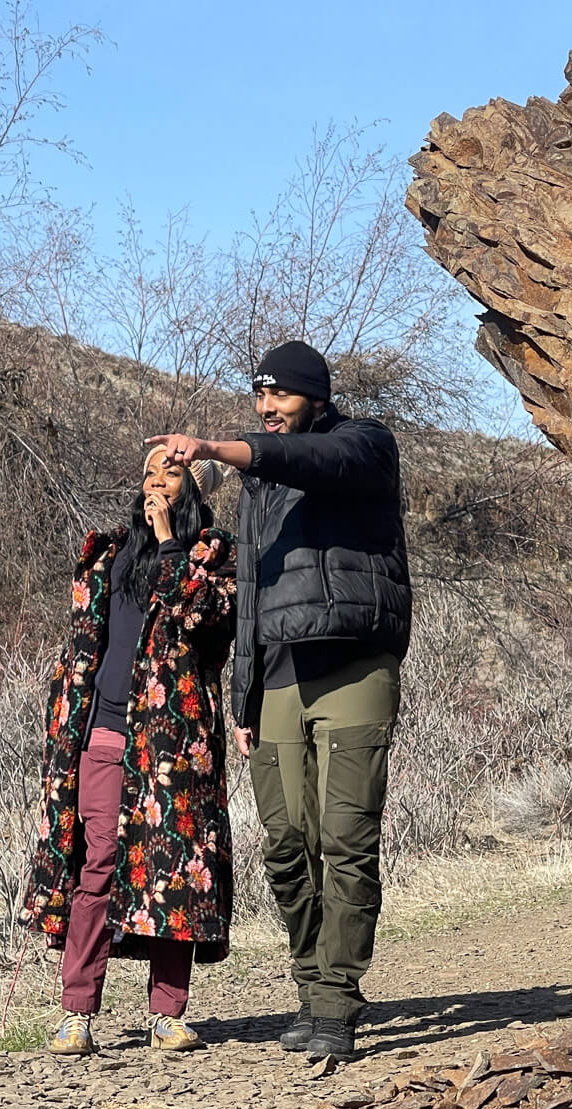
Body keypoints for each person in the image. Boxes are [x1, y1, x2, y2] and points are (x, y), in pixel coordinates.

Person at [147, 340, 411, 1061]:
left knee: (345, 840)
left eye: (281, 398)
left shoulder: (364, 445)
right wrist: (244, 698)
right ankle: (310, 985)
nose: (268, 410)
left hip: (356, 665)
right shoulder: (262, 483)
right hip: (279, 679)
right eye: (260, 398)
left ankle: (336, 1002)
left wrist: (217, 447)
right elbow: (255, 595)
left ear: (315, 397)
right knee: (288, 846)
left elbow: (315, 464)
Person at [20, 446, 237, 1055]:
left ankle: (167, 1015)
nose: (155, 486)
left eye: (170, 476)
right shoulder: (110, 554)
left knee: (173, 873)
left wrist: (171, 545)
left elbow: (197, 618)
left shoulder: (215, 560)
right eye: (148, 475)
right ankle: (77, 1012)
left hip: (171, 743)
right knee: (95, 868)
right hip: (102, 734)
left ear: (194, 493)